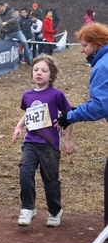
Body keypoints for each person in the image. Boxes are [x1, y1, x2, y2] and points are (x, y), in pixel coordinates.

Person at [12, 54, 75, 227]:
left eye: (44, 70)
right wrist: (19, 127)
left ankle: (55, 211)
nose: (39, 73)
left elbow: (69, 116)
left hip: (50, 145)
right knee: (25, 171)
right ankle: (27, 208)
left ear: (51, 75)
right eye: (36, 70)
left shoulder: (57, 95)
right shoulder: (27, 95)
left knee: (50, 179)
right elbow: (28, 113)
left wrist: (67, 140)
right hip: (31, 142)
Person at [56, 22, 108, 227]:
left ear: (96, 44)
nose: (82, 50)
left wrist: (70, 116)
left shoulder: (102, 67)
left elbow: (100, 106)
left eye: (85, 45)